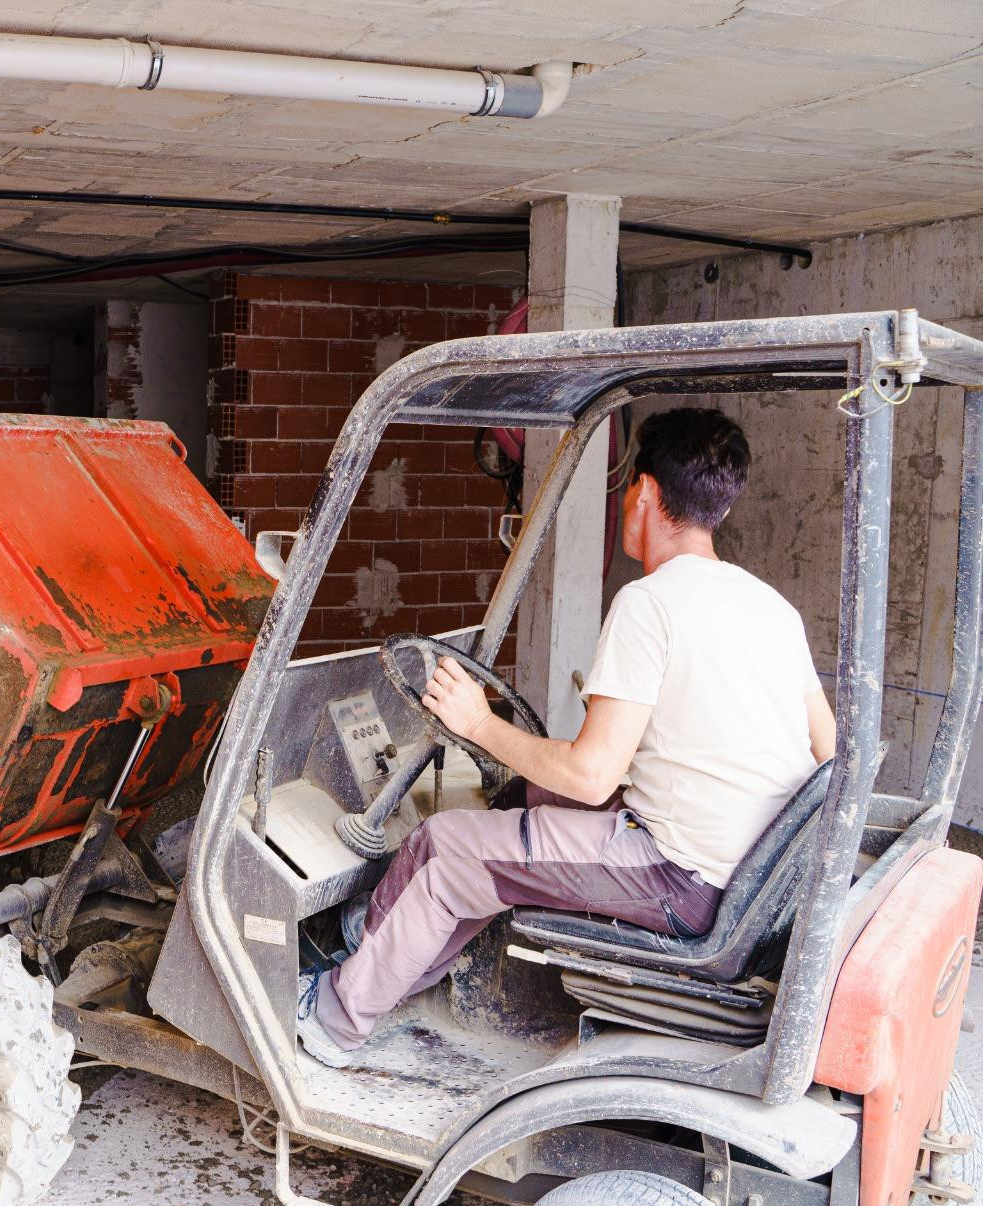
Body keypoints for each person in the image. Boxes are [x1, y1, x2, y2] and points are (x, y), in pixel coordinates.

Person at [297, 408, 837, 1066]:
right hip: (748, 871)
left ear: (641, 493)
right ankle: (389, 954)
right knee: (531, 800)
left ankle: (334, 1019)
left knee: (445, 849)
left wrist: (477, 725)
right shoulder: (770, 608)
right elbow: (825, 748)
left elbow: (591, 774)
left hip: (681, 876)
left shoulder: (651, 603)